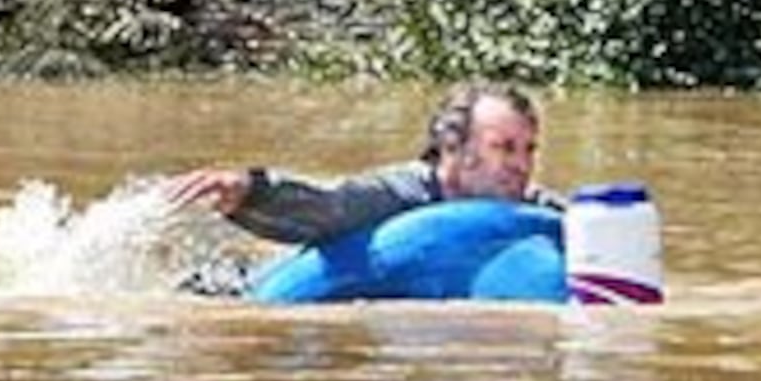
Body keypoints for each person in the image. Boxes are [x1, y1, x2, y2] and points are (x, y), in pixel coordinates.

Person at [163, 82, 557, 246]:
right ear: (452, 149)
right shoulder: (400, 194)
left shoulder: (538, 210)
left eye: (529, 150)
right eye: (504, 148)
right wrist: (249, 190)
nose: (521, 165)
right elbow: (330, 204)